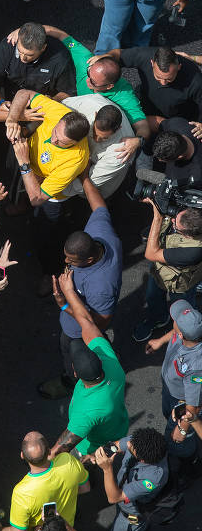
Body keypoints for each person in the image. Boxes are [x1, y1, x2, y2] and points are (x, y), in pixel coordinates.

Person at [38, 174, 122, 399]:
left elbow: (101, 322)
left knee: (73, 353)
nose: (66, 263)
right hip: (73, 310)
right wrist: (85, 178)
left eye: (71, 261)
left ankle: (71, 381)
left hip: (78, 331)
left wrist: (65, 302)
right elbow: (99, 208)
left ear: (90, 260)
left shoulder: (102, 285)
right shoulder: (98, 234)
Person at [6, 90, 89, 292]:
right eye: (54, 133)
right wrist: (12, 120)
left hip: (50, 196)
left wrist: (24, 162)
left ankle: (49, 273)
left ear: (75, 143)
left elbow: (38, 198)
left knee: (47, 236)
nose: (53, 141)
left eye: (61, 142)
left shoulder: (76, 159)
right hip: (31, 172)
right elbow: (23, 93)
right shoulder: (58, 113)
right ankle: (21, 207)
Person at [42, 24, 150, 163]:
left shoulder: (125, 95)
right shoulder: (86, 61)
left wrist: (137, 141)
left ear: (110, 86)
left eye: (93, 82)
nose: (87, 81)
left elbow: (143, 127)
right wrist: (22, 31)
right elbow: (62, 35)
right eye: (88, 74)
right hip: (72, 102)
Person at [49, 269, 128, 457]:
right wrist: (66, 300)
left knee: (85, 466)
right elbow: (87, 322)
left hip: (92, 447)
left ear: (75, 372)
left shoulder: (86, 414)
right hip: (117, 425)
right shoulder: (110, 363)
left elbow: (60, 449)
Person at [0, 431, 89, 531]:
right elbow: (85, 488)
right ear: (49, 451)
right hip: (66, 529)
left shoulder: (22, 492)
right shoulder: (68, 460)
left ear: (22, 456)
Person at [95, 428, 169, 531]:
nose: (128, 444)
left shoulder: (153, 477)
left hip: (132, 515)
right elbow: (116, 445)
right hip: (125, 502)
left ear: (142, 460)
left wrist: (107, 469)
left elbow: (114, 497)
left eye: (131, 447)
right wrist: (99, 454)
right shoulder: (141, 441)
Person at [134, 199, 202, 342]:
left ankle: (187, 335)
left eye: (175, 224)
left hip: (180, 285)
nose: (171, 220)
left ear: (187, 235)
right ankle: (158, 319)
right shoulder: (191, 215)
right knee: (152, 297)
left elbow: (150, 254)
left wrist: (157, 218)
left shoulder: (194, 250)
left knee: (184, 312)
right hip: (159, 272)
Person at [93, 46, 202, 134]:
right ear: (151, 63)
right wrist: (106, 57)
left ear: (179, 67)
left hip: (176, 117)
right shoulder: (145, 55)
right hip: (147, 103)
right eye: (158, 77)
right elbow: (119, 54)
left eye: (169, 79)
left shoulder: (196, 81)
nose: (163, 83)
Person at [145, 299, 202, 467]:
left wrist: (183, 429)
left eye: (175, 321)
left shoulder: (196, 368)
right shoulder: (191, 333)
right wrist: (160, 341)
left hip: (181, 402)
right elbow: (176, 332)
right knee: (167, 416)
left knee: (177, 440)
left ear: (183, 335)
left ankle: (189, 461)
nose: (174, 322)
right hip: (170, 391)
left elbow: (193, 406)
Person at [62, 96, 134, 197]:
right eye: (95, 133)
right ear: (95, 115)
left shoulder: (121, 152)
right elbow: (63, 104)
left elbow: (86, 183)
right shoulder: (88, 103)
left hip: (97, 189)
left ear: (118, 129)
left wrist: (61, 190)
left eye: (104, 138)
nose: (96, 140)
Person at [0, 22, 76, 105]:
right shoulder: (8, 46)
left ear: (43, 48)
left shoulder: (60, 59)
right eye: (19, 51)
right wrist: (0, 103)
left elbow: (67, 92)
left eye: (29, 55)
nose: (23, 58)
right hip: (8, 102)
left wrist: (51, 101)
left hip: (42, 108)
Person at [152, 117, 202, 185]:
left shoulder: (194, 177)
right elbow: (157, 122)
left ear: (180, 156)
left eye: (163, 159)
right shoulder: (176, 124)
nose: (159, 160)